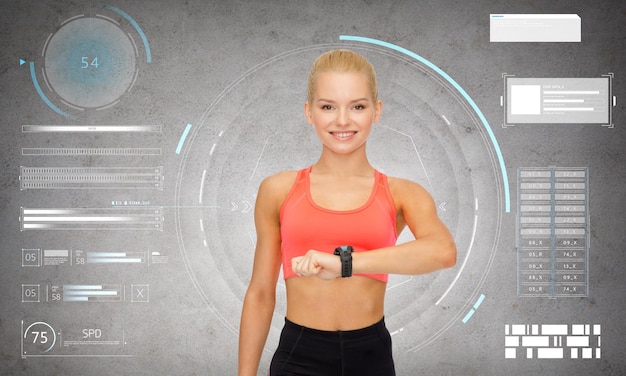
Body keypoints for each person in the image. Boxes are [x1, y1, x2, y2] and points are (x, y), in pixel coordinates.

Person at [238, 49, 457, 376]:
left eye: (357, 106)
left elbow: (443, 252)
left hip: (371, 355)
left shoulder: (402, 193)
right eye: (328, 107)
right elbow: (259, 293)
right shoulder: (278, 190)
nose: (343, 120)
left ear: (376, 111)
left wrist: (345, 264)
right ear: (309, 112)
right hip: (298, 354)